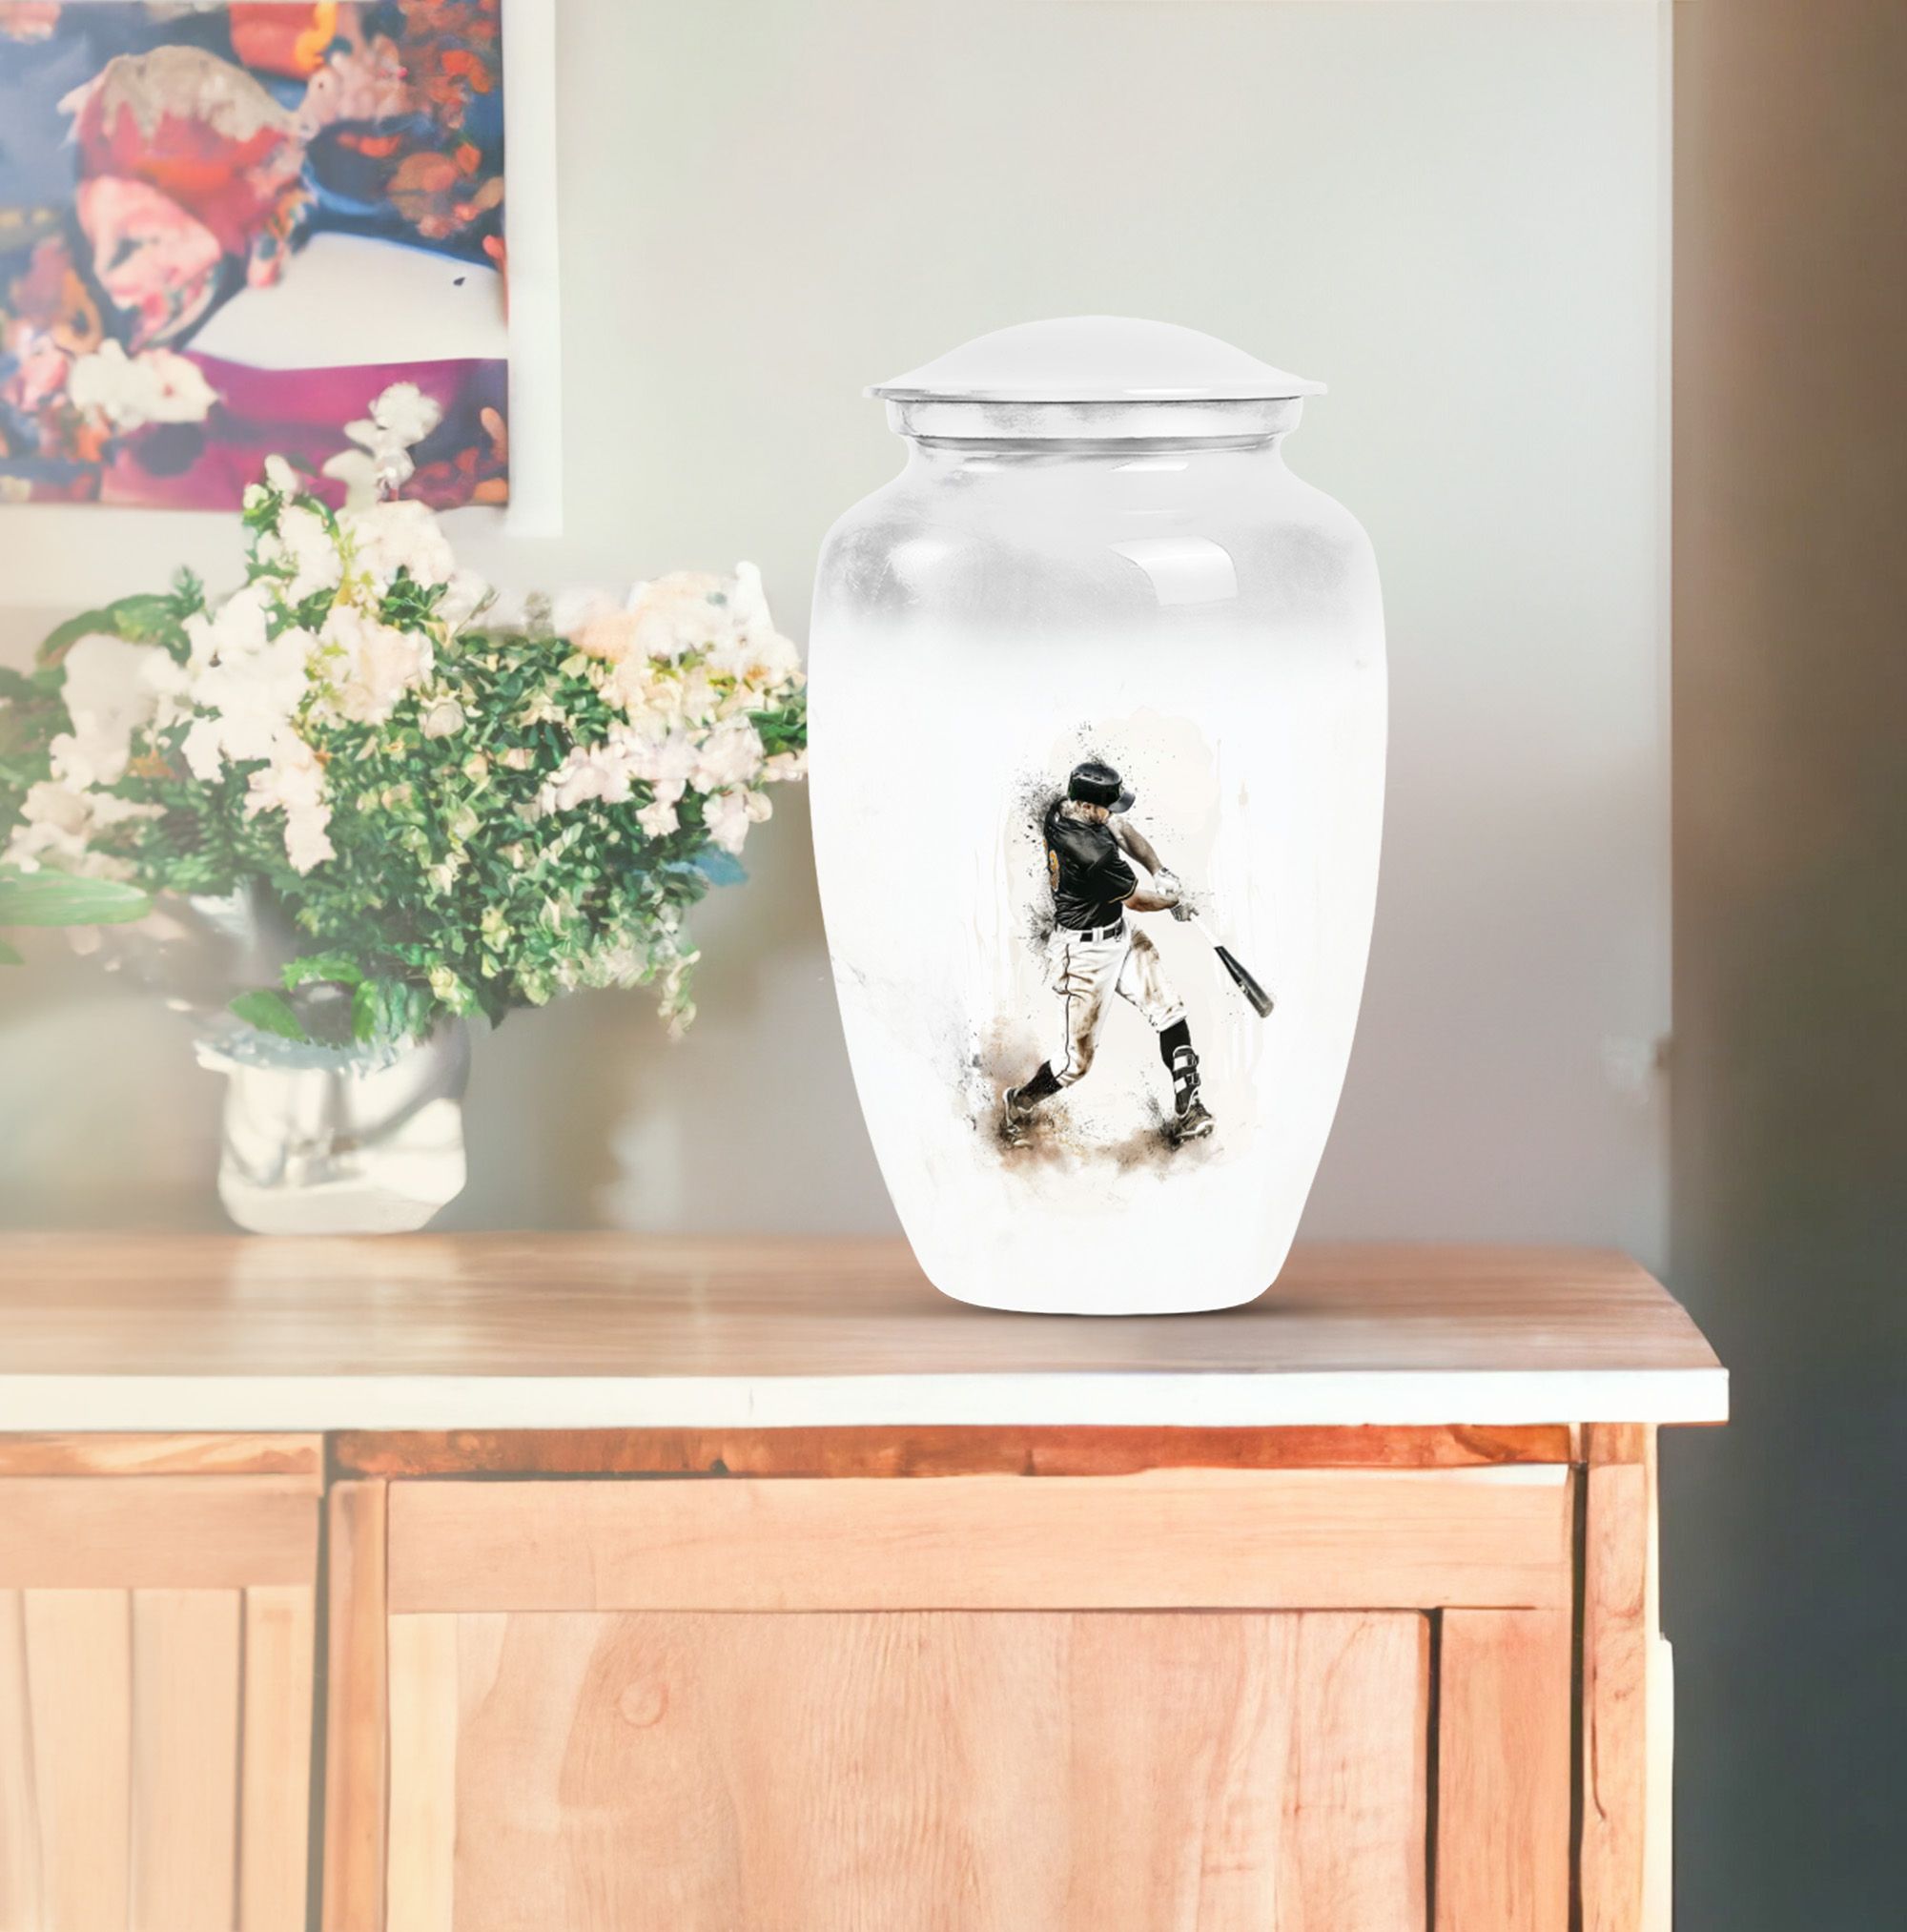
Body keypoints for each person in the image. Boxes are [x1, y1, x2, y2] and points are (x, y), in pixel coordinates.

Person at [1002, 759, 1215, 1146]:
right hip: (1084, 957)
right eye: (1106, 807)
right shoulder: (1093, 853)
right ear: (1087, 806)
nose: (1112, 814)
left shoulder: (1065, 807)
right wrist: (1175, 903)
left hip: (1121, 935)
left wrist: (1159, 870)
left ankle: (1190, 1109)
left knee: (1169, 1010)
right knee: (1075, 1064)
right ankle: (1018, 1103)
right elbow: (1136, 901)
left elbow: (1121, 828)